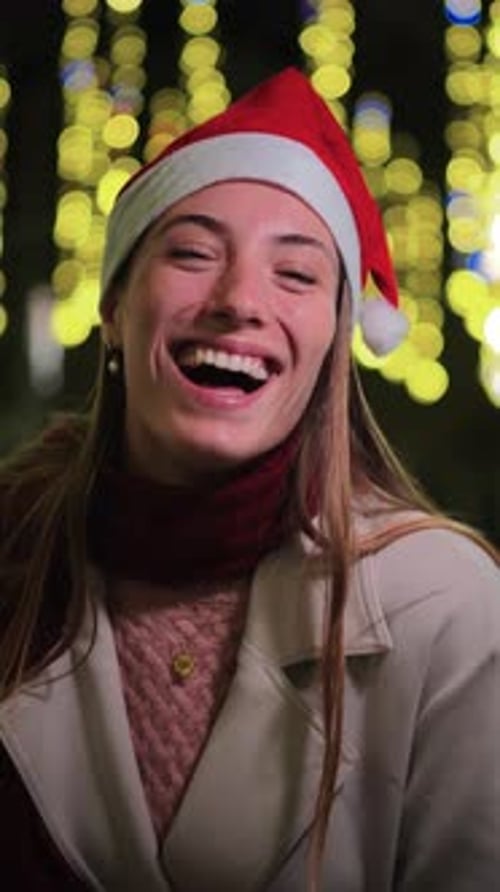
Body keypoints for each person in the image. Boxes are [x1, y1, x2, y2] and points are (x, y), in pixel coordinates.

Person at [0, 67, 498, 892]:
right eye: (193, 253)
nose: (239, 301)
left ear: (336, 342)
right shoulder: (14, 564)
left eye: (296, 275)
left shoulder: (445, 608)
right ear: (116, 307)